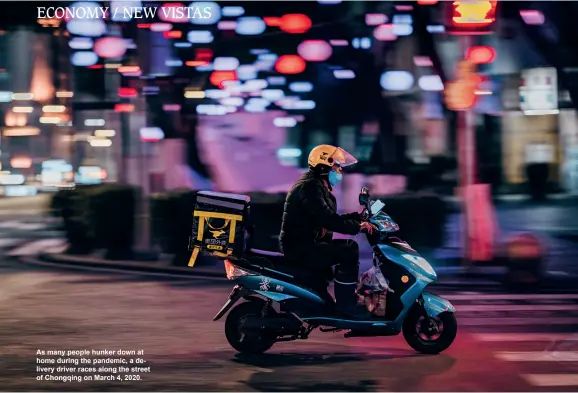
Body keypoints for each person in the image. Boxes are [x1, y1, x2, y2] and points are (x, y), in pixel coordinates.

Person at [279, 144, 377, 318]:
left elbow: (328, 216)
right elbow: (326, 219)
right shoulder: (309, 187)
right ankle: (346, 306)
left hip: (308, 244)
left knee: (345, 248)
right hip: (301, 248)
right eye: (337, 166)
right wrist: (357, 227)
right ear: (324, 166)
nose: (340, 170)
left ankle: (338, 303)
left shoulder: (316, 186)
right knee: (348, 250)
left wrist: (357, 217)